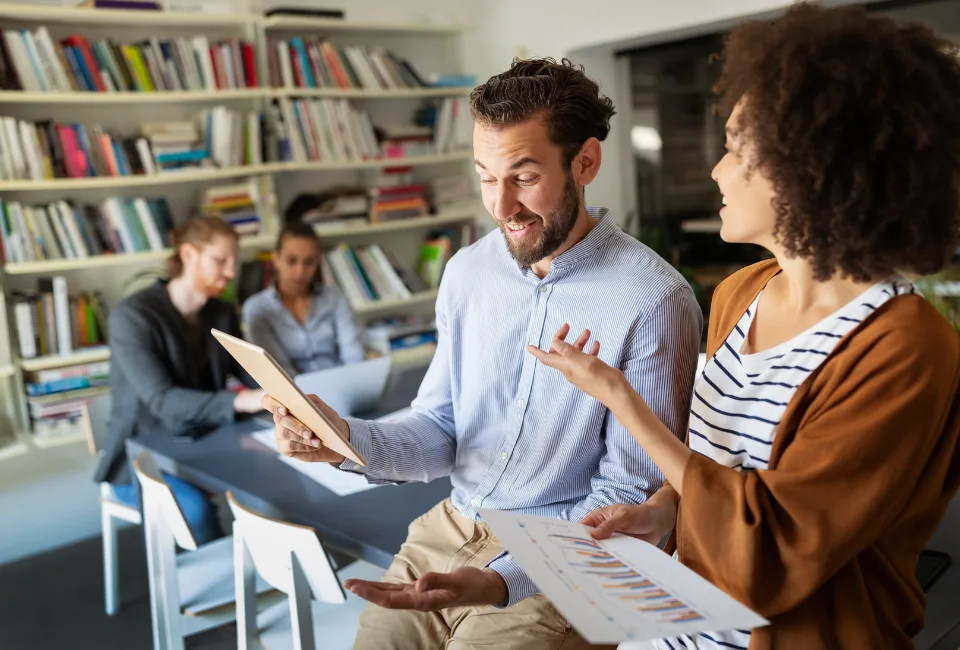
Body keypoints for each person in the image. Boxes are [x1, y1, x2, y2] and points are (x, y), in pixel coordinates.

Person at [526, 6, 960, 649]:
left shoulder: (906, 346)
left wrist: (622, 398)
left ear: (812, 166)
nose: (716, 170)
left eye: (737, 148)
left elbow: (774, 551)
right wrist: (660, 513)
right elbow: (717, 467)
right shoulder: (740, 293)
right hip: (674, 624)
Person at [264, 58, 702, 650]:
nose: (500, 207)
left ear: (586, 162)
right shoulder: (467, 272)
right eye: (485, 176)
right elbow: (441, 428)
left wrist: (500, 579)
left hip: (565, 557)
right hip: (449, 528)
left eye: (523, 177)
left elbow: (629, 497)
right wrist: (343, 439)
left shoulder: (652, 298)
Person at [93, 216, 266, 545]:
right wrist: (244, 400)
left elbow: (250, 371)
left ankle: (275, 565)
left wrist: (283, 389)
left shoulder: (221, 312)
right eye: (220, 260)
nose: (230, 272)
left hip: (205, 441)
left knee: (280, 472)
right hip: (141, 455)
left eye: (233, 262)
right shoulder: (132, 317)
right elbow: (163, 400)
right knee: (196, 510)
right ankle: (223, 584)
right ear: (188, 255)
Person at [242, 221, 365, 377]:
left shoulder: (334, 297)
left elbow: (353, 354)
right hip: (294, 394)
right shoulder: (258, 308)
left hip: (342, 384)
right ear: (276, 259)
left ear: (317, 263)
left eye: (308, 262)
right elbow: (279, 369)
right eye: (291, 261)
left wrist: (353, 385)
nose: (300, 271)